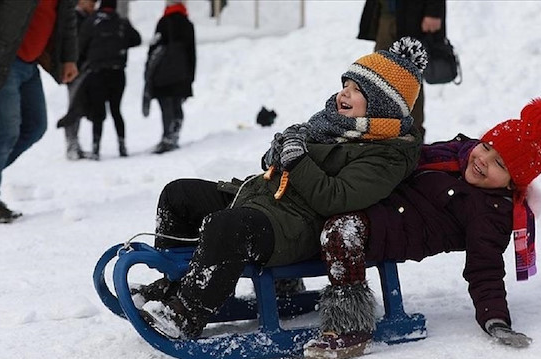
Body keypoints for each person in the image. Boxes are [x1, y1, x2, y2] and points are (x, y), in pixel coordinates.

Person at [136, 37, 428, 340]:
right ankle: (177, 282)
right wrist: (277, 153)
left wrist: (297, 158)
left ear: (381, 105)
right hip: (265, 199)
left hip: (296, 227)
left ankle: (186, 313)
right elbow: (283, 161)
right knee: (179, 195)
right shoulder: (330, 124)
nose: (344, 92)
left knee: (227, 227)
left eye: (357, 90)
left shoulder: (387, 155)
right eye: (346, 84)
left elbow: (336, 199)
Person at [303, 98, 541, 358]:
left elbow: (485, 268)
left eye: (500, 164)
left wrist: (495, 319)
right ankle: (284, 286)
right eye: (486, 147)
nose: (484, 159)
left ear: (512, 182)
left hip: (393, 230)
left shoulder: (490, 213)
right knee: (308, 202)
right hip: (380, 198)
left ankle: (352, 329)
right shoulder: (455, 155)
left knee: (341, 231)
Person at [0, 0, 79, 225]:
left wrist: (69, 57)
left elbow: (67, 15)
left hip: (29, 61)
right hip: (0, 60)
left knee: (34, 126)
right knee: (3, 133)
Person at [358, 0, 446, 141]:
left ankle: (412, 134)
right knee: (380, 74)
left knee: (409, 76)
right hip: (386, 13)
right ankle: (381, 131)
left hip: (413, 16)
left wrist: (433, 10)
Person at [78, 0, 141, 160]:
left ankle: (96, 148)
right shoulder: (121, 22)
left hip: (97, 73)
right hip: (117, 73)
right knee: (116, 110)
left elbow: (81, 46)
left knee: (98, 112)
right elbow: (136, 40)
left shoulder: (91, 22)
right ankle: (122, 145)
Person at [143, 0, 196, 154]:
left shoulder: (163, 22)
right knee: (177, 105)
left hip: (163, 75)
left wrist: (149, 73)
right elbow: (191, 53)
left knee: (166, 107)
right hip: (181, 74)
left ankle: (167, 138)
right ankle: (174, 135)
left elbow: (154, 49)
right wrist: (190, 77)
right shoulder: (187, 23)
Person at [61, 0, 98, 160]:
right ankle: (72, 145)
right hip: (76, 70)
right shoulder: (74, 18)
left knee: (80, 108)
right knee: (74, 108)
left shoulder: (91, 18)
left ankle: (75, 144)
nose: (93, 5)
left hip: (88, 69)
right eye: (90, 2)